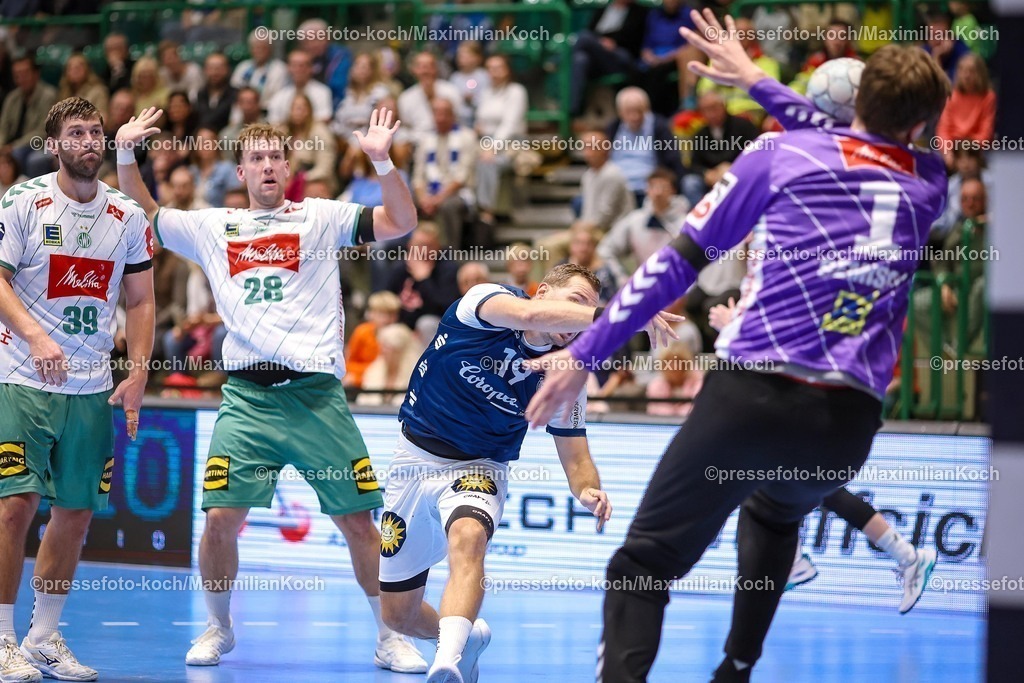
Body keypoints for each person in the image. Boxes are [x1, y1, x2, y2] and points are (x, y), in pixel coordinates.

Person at [525, 10, 950, 682]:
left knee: (641, 565)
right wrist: (759, 80)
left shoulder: (777, 155)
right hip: (849, 425)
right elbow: (871, 140)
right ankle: (737, 667)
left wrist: (586, 354)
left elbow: (675, 265)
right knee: (776, 513)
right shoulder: (930, 181)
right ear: (924, 127)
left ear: (849, 104)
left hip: (753, 394)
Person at [114, 107, 429, 672]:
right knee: (219, 519)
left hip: (315, 399)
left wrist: (382, 159)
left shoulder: (321, 217)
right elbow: (148, 213)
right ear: (240, 170)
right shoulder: (214, 226)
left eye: (274, 158)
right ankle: (218, 627)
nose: (265, 166)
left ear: (289, 167)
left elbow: (401, 220)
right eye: (255, 158)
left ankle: (388, 635)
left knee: (360, 521)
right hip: (247, 401)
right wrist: (124, 153)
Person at [378, 264, 682, 683]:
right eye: (576, 302)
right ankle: (469, 634)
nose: (577, 320)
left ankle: (447, 663)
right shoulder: (484, 304)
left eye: (589, 310)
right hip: (413, 460)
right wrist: (624, 315)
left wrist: (590, 490)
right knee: (398, 615)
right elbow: (531, 318)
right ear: (541, 292)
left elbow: (575, 455)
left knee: (469, 540)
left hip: (479, 467)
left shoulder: (567, 374)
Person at [0, 97, 155, 682]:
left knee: (76, 512)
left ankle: (43, 636)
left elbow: (139, 300)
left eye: (95, 131)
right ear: (56, 143)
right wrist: (37, 337)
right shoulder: (23, 202)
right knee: (15, 506)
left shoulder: (126, 216)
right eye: (76, 133)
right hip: (22, 376)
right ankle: (1, 638)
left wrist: (138, 371)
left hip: (91, 387)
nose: (89, 140)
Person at [707, 299, 938, 611]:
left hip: (830, 405)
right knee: (803, 484)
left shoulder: (845, 293)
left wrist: (734, 326)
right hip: (817, 403)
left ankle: (901, 556)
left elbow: (806, 344)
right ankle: (903, 556)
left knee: (797, 480)